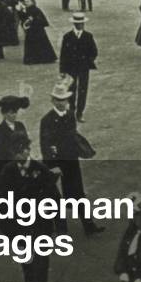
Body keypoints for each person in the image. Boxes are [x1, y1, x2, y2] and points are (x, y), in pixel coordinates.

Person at [0, 133, 60, 282]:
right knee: (27, 259)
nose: (18, 156)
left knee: (41, 262)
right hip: (18, 226)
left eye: (20, 151)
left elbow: (54, 197)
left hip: (40, 225)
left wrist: (58, 225)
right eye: (14, 152)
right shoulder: (8, 170)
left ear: (27, 150)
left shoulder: (40, 170)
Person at [40, 82, 105, 235]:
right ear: (53, 101)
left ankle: (88, 225)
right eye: (59, 100)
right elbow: (45, 144)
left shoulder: (70, 116)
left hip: (70, 160)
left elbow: (72, 137)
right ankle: (51, 227)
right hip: (55, 162)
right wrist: (51, 165)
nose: (63, 103)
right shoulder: (47, 120)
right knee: (49, 194)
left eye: (64, 99)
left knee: (78, 193)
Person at [58, 12, 98, 123]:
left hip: (83, 68)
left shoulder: (88, 36)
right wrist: (62, 70)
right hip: (71, 68)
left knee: (83, 90)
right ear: (74, 24)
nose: (80, 25)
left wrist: (88, 61)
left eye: (82, 23)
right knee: (71, 89)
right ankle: (72, 110)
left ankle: (80, 112)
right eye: (78, 23)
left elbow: (94, 51)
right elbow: (63, 54)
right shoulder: (67, 37)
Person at [0, 95, 30, 188]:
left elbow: (26, 144)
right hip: (6, 165)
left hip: (21, 163)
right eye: (11, 113)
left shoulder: (20, 125)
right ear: (4, 114)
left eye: (15, 112)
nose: (14, 115)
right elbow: (3, 151)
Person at [19, 0, 56, 65]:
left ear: (32, 2)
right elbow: (23, 19)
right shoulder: (25, 10)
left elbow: (43, 21)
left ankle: (43, 58)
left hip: (38, 31)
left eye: (28, 1)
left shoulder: (36, 10)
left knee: (40, 45)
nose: (26, 3)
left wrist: (34, 20)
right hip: (31, 31)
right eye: (25, 2)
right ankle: (32, 59)